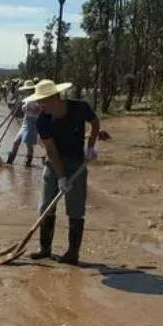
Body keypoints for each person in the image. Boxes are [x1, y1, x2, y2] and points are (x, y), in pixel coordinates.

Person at [24, 79, 100, 265]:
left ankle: (73, 253)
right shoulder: (43, 120)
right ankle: (45, 249)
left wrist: (90, 147)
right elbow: (51, 151)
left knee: (75, 209)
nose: (40, 105)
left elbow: (95, 122)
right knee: (45, 205)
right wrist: (61, 178)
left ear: (55, 97)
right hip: (53, 163)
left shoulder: (79, 108)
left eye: (43, 100)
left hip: (76, 163)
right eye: (39, 101)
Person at [6, 80, 39, 167]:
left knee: (29, 145)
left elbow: (36, 112)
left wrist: (23, 108)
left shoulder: (37, 98)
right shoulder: (27, 98)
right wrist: (19, 106)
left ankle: (28, 163)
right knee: (16, 141)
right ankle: (10, 161)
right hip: (25, 123)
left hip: (32, 124)